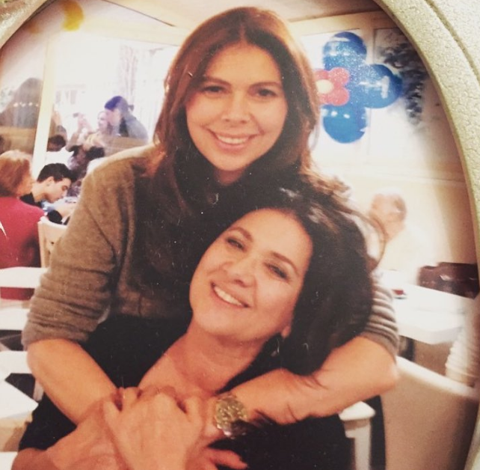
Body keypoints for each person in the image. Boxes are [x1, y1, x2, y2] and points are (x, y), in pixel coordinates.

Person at [22, 6, 398, 460]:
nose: (235, 114)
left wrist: (202, 427)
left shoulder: (316, 205)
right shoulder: (121, 186)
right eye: (213, 89)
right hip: (119, 390)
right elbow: (51, 332)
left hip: (263, 438)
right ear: (182, 97)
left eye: (263, 92)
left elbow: (375, 356)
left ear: (294, 104)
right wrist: (140, 440)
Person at [15, 187, 374, 470]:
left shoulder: (307, 437)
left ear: (297, 316)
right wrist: (63, 458)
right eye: (235, 243)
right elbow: (25, 460)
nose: (237, 271)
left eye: (276, 270)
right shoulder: (118, 342)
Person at [0, 150, 44, 301]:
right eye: (29, 174)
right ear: (14, 178)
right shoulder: (34, 215)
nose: (33, 180)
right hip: (16, 299)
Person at [368, 187, 434, 285]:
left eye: (374, 207)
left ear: (392, 215)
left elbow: (406, 279)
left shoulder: (416, 240)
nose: (369, 212)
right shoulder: (372, 236)